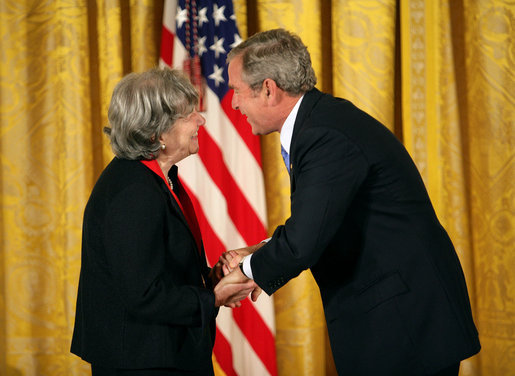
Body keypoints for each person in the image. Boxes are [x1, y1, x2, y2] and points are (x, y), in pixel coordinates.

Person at [221, 29, 481, 376]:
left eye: (237, 91)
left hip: (406, 326)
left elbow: (304, 242)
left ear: (268, 89)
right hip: (399, 318)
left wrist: (245, 272)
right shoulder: (322, 121)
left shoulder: (323, 135)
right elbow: (327, 221)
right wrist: (259, 253)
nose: (234, 103)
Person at [71, 67, 256, 376]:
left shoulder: (154, 178)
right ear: (156, 133)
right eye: (189, 115)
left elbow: (157, 270)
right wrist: (214, 297)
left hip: (162, 354)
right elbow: (143, 295)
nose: (201, 120)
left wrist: (210, 280)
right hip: (141, 362)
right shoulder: (133, 192)